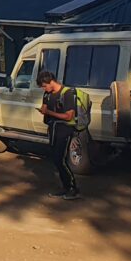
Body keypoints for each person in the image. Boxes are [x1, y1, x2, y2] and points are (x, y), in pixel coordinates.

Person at [37, 70, 81, 200]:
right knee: (55, 158)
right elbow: (45, 107)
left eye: (44, 86)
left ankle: (73, 188)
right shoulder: (48, 93)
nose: (44, 89)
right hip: (53, 128)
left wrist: (49, 112)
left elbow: (69, 116)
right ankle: (65, 186)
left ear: (51, 82)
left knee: (60, 159)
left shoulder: (67, 93)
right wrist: (44, 110)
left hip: (65, 129)